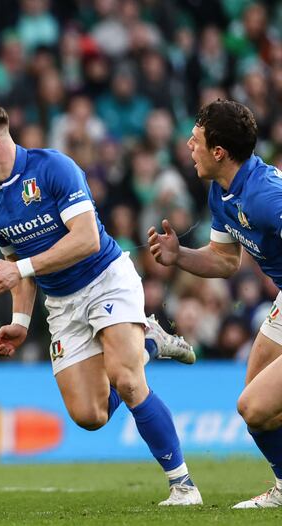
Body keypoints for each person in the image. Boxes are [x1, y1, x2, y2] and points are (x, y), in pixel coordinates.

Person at [0, 98, 201, 506]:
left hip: (106, 280)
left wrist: (21, 268)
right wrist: (20, 322)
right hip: (62, 303)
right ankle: (149, 343)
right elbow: (17, 266)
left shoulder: (53, 168)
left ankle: (183, 486)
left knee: (127, 380)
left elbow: (86, 240)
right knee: (89, 416)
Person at [148, 99, 282, 508]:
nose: (189, 145)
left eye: (196, 140)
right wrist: (179, 256)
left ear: (219, 152)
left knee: (253, 407)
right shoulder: (222, 191)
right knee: (258, 405)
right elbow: (225, 260)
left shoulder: (266, 197)